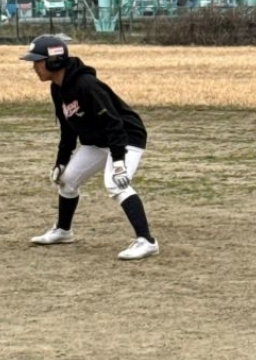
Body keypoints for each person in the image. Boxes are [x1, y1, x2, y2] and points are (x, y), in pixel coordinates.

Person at [20, 34, 159, 261]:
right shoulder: (58, 88)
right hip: (99, 140)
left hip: (126, 137)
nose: (34, 67)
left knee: (115, 183)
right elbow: (68, 128)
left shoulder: (86, 85)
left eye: (38, 61)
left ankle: (147, 241)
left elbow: (113, 123)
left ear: (54, 62)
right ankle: (63, 231)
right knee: (67, 180)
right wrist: (61, 161)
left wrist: (118, 161)